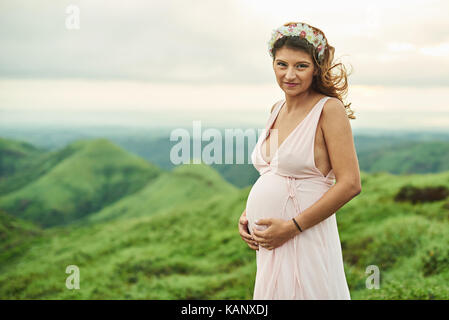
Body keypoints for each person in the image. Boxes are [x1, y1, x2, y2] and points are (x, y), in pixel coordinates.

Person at [238, 21, 361, 299]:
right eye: (282, 64)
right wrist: (249, 216)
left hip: (303, 237)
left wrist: (291, 227)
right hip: (273, 244)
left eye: (301, 66)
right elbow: (274, 175)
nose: (289, 75)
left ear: (316, 67)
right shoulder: (276, 108)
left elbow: (351, 184)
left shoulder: (329, 110)